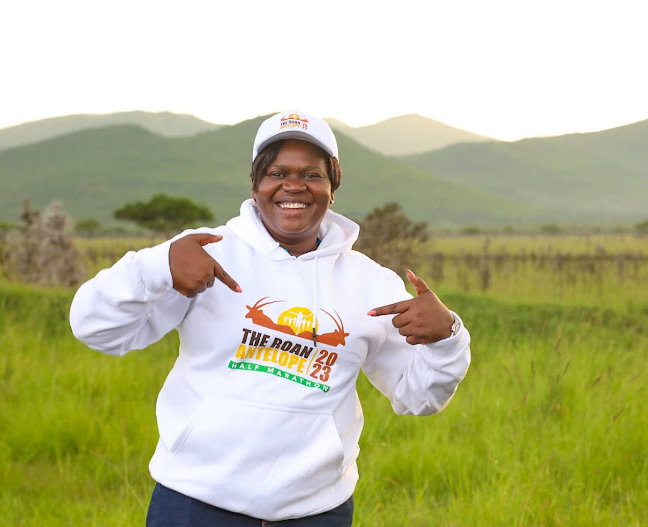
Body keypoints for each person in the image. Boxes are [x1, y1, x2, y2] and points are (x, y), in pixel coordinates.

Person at [69, 110, 471, 526]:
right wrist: (156, 266)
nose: (293, 185)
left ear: (332, 186)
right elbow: (95, 329)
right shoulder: (206, 253)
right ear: (256, 183)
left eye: (312, 175)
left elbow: (420, 396)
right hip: (194, 501)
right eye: (277, 172)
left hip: (317, 512)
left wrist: (448, 338)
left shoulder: (372, 284)